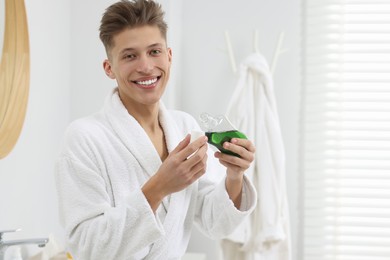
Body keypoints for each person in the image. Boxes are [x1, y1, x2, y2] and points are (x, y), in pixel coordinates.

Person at [55, 0, 257, 259]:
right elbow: (86, 246)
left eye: (154, 52)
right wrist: (158, 187)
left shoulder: (185, 127)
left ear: (169, 56)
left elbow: (214, 222)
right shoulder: (84, 138)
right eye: (129, 56)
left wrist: (234, 175)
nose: (146, 67)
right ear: (109, 68)